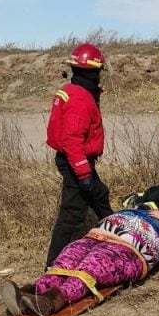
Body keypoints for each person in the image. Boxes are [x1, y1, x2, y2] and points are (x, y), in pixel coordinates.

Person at [2, 209, 159, 316]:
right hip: (99, 235)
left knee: (94, 265)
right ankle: (31, 293)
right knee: (68, 257)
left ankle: (52, 301)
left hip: (130, 250)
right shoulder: (143, 206)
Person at [45, 43, 113, 266]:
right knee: (72, 215)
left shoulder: (72, 90)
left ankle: (116, 236)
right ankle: (53, 266)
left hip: (75, 159)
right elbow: (72, 139)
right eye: (98, 71)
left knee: (99, 195)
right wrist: (83, 173)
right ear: (92, 71)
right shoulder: (80, 98)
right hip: (75, 160)